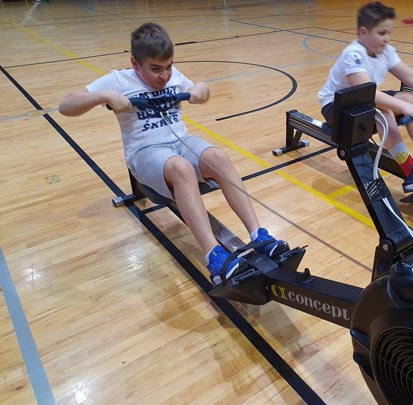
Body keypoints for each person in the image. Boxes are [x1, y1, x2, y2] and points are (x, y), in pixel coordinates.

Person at [59, 22, 289, 286]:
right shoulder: (118, 80)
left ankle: (259, 235)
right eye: (156, 69)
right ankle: (214, 256)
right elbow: (66, 105)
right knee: (182, 168)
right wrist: (105, 95)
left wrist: (201, 88)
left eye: (168, 67)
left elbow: (201, 91)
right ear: (135, 63)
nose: (165, 76)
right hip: (145, 152)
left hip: (181, 144)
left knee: (218, 157)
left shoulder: (174, 75)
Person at [318, 2, 413, 193]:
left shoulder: (385, 51)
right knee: (385, 110)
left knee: (410, 98)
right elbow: (368, 93)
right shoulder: (353, 54)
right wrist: (403, 108)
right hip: (336, 107)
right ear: (363, 32)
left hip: (361, 101)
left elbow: (411, 76)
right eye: (381, 33)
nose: (387, 38)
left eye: (388, 33)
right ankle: (411, 172)